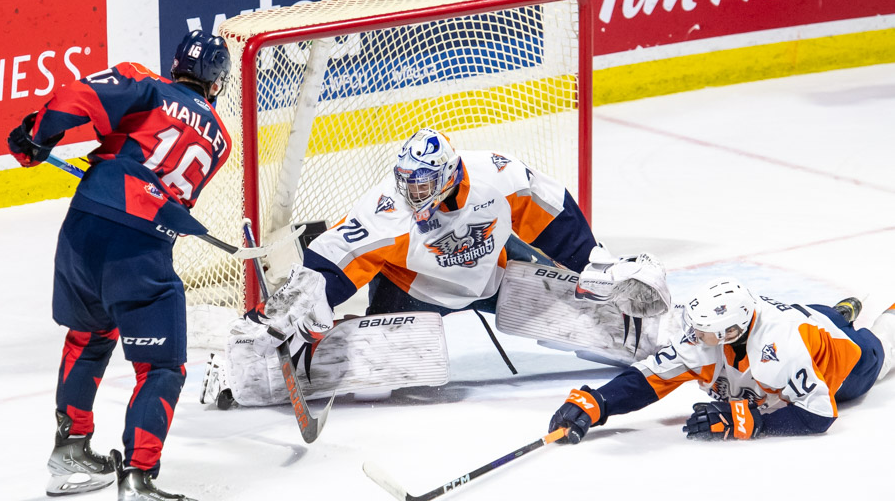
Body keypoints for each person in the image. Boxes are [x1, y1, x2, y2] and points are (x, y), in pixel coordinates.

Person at [203, 127, 670, 408]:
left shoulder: (497, 175)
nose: (413, 195)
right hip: (414, 291)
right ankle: (240, 373)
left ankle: (659, 340)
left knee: (592, 307)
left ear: (448, 176)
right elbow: (335, 257)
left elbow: (553, 211)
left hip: (494, 273)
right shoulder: (388, 211)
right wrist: (305, 297)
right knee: (379, 372)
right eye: (406, 183)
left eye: (423, 186)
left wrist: (593, 259)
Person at [6, 30, 232, 501]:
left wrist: (37, 136)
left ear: (175, 65)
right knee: (162, 367)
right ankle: (140, 489)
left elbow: (77, 96)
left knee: (88, 335)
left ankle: (70, 452)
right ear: (217, 84)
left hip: (84, 226)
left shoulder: (144, 82)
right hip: (139, 245)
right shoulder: (220, 140)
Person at [549, 277, 895, 444]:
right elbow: (653, 376)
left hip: (848, 365)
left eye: (705, 331)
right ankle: (839, 314)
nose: (694, 336)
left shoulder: (782, 347)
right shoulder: (714, 333)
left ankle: (855, 323)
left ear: (733, 331)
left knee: (883, 341)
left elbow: (819, 414)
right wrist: (600, 401)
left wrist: (749, 422)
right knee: (826, 317)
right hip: (807, 316)